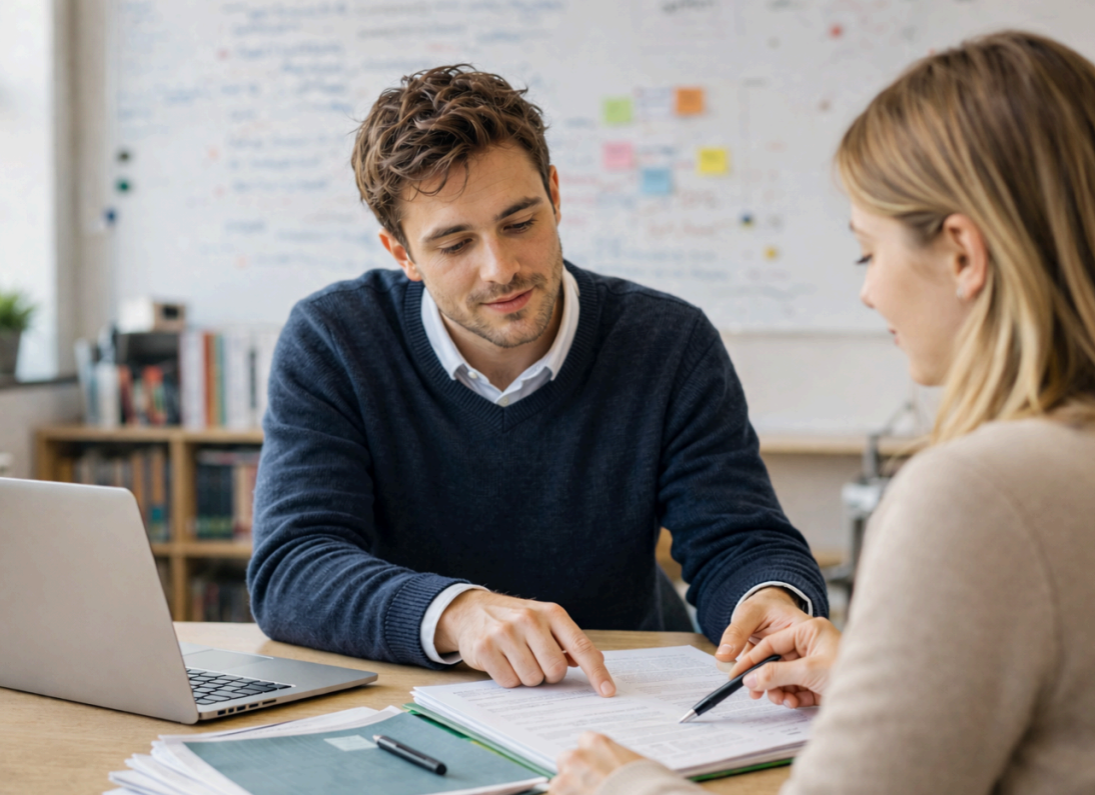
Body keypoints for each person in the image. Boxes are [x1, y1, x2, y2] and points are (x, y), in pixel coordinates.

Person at [553, 30, 1095, 793]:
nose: (869, 292)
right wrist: (875, 682)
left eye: (866, 251)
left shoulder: (980, 495)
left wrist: (625, 784)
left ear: (962, 255)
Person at [247, 65, 828, 695]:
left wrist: (770, 598)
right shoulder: (334, 340)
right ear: (402, 254)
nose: (501, 269)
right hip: (413, 697)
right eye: (454, 244)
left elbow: (737, 537)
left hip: (624, 695)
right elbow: (293, 566)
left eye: (520, 223)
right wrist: (456, 613)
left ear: (554, 194)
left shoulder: (669, 342)